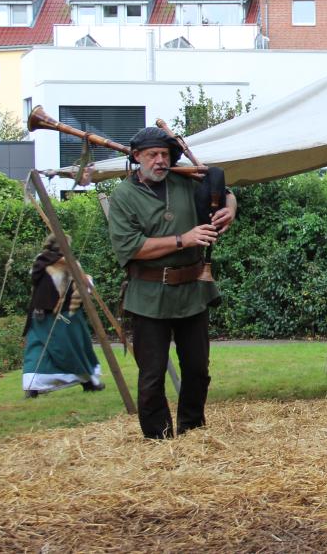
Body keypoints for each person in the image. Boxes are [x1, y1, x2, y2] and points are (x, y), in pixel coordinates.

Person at [106, 127, 236, 439]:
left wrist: (229, 209)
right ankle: (158, 439)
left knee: (196, 370)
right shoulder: (123, 196)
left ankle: (191, 431)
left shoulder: (183, 180)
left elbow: (224, 190)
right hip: (149, 295)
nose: (160, 161)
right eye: (153, 155)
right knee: (151, 375)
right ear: (137, 157)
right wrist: (183, 239)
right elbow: (131, 247)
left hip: (192, 291)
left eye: (165, 154)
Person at [22, 234, 107, 398]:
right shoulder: (69, 264)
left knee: (38, 349)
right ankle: (88, 382)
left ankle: (31, 387)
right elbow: (81, 287)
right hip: (64, 315)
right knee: (73, 348)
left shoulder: (39, 260)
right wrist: (88, 279)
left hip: (38, 314)